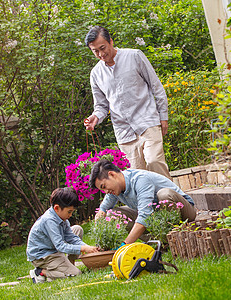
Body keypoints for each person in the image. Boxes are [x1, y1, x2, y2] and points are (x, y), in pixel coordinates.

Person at [83, 25, 172, 180]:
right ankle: (154, 205)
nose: (100, 54)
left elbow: (156, 86)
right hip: (124, 133)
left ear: (110, 41)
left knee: (154, 162)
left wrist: (163, 116)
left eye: (102, 48)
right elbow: (101, 106)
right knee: (139, 178)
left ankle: (175, 202)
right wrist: (95, 117)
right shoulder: (96, 74)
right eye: (95, 51)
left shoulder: (134, 56)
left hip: (147, 121)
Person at [90, 159, 196, 244]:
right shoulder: (115, 189)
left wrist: (125, 245)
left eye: (104, 186)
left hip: (185, 212)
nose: (106, 192)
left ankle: (174, 237)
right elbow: (103, 209)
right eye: (102, 190)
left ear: (112, 174)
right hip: (157, 216)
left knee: (164, 194)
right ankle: (158, 241)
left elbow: (145, 216)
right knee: (114, 214)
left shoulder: (140, 180)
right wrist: (99, 233)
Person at [26, 187, 99, 283]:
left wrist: (86, 246)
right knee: (76, 275)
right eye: (69, 212)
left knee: (77, 229)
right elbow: (60, 246)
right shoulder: (49, 220)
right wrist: (83, 249)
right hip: (43, 256)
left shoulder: (62, 218)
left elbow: (71, 237)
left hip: (53, 249)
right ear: (56, 208)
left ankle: (70, 264)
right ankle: (40, 272)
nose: (70, 215)